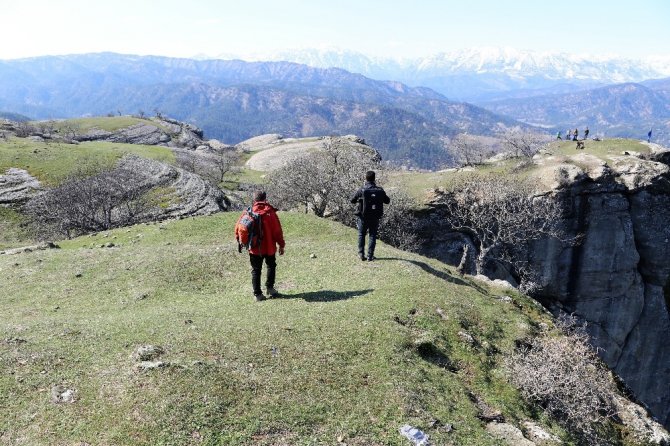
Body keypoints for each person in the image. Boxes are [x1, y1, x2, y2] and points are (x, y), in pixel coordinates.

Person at [245, 190, 285, 301]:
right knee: (271, 266)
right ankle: (270, 288)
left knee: (256, 270)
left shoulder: (249, 211)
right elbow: (277, 231)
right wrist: (281, 245)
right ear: (265, 198)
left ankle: (257, 295)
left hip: (254, 248)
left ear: (255, 199)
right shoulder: (270, 213)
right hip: (269, 247)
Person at [350, 170, 390, 261]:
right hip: (375, 217)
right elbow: (387, 201)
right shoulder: (380, 190)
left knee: (361, 234)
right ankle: (370, 256)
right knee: (372, 235)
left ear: (366, 178)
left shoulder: (362, 190)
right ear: (374, 178)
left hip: (363, 217)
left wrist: (360, 200)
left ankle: (361, 254)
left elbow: (352, 200)